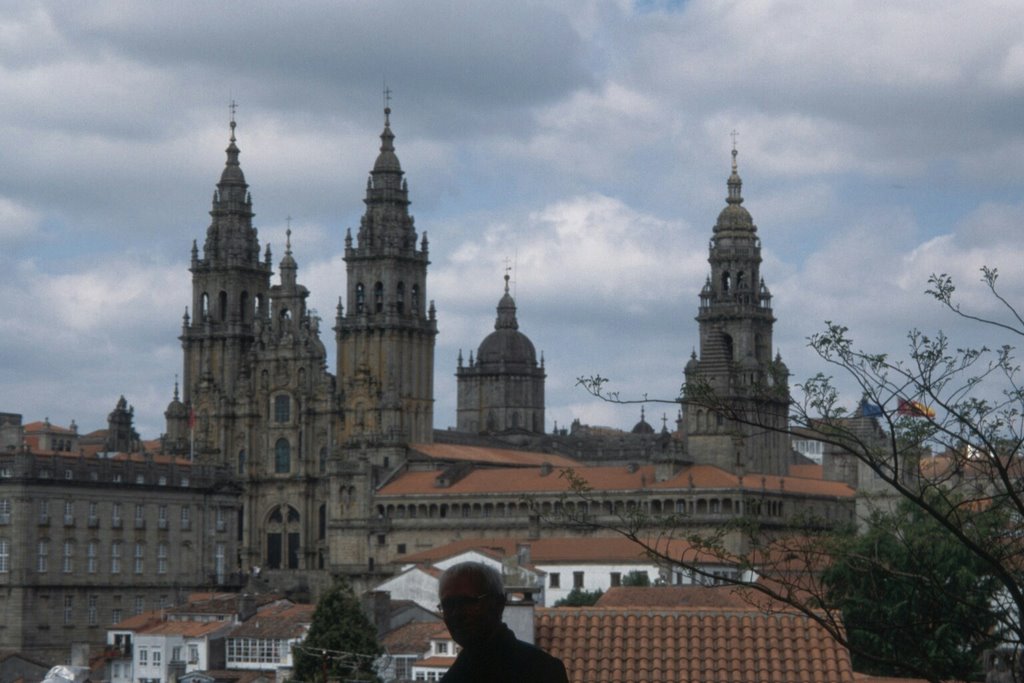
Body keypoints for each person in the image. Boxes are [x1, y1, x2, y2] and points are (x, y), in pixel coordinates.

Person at [437, 561, 569, 682]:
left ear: (498, 603)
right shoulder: (541, 666)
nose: (456, 613)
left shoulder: (541, 671)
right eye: (448, 605)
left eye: (467, 602)